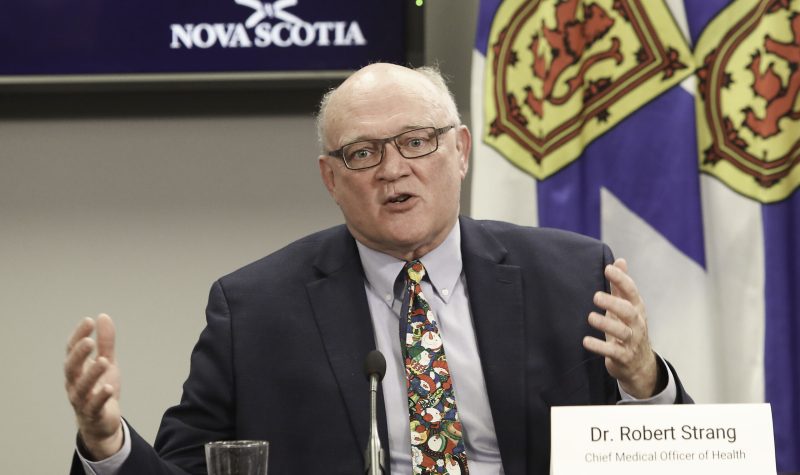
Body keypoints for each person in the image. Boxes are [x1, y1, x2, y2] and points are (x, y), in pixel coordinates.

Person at [65, 63, 691, 475]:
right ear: (331, 180)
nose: (393, 170)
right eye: (362, 153)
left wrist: (645, 381)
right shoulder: (254, 309)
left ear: (461, 150)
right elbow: (187, 465)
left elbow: (667, 458)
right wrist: (106, 442)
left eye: (417, 141)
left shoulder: (572, 274)